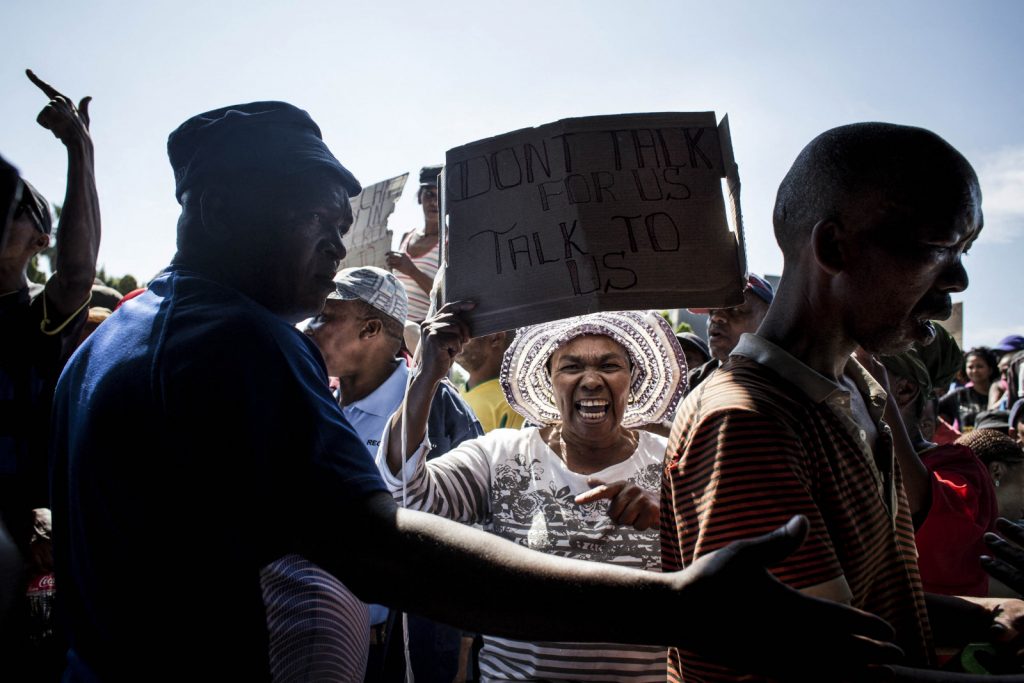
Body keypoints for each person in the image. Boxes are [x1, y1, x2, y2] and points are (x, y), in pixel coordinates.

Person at [50, 101, 902, 682]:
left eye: (345, 224)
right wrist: (678, 603)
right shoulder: (234, 343)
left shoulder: (114, 338)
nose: (337, 246)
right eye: (317, 218)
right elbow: (386, 546)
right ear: (221, 207)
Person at [663, 122, 1024, 681]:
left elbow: (863, 604)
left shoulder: (858, 390)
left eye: (964, 251)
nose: (959, 279)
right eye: (938, 249)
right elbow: (830, 665)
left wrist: (988, 618)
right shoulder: (746, 422)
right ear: (834, 247)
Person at [380, 309, 685, 681]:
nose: (591, 381)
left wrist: (674, 515)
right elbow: (407, 493)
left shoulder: (674, 462)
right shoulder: (500, 456)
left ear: (632, 378)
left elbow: (724, 567)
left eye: (609, 365)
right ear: (549, 380)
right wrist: (427, 374)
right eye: (571, 367)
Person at [305, 265, 481, 681]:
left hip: (400, 654)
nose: (309, 329)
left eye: (325, 317)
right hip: (321, 643)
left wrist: (462, 645)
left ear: (370, 329)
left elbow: (471, 529)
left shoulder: (437, 406)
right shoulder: (317, 399)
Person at [1, 71, 99, 682]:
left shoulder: (35, 319)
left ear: (40, 238)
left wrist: (78, 151)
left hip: (22, 548)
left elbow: (77, 274)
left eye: (8, 213)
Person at [880, 350, 998, 597]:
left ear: (903, 391)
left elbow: (929, 513)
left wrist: (884, 408)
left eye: (854, 376)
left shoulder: (958, 465)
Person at [684, 273, 773, 393]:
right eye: (712, 310)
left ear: (766, 318)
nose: (716, 317)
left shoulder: (788, 384)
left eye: (736, 309)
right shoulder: (691, 383)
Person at [386, 165, 441, 322]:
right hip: (394, 323)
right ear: (419, 197)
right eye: (429, 194)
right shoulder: (406, 237)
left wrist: (412, 271)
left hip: (423, 328)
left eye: (440, 195)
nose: (434, 202)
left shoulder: (449, 243)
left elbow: (445, 298)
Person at [455, 329, 524, 432]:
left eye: (465, 329)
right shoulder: (455, 393)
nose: (455, 337)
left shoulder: (515, 405)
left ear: (496, 337)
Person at [940, 347, 999, 430]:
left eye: (979, 366)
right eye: (970, 367)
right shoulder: (959, 394)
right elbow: (933, 409)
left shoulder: (1000, 393)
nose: (975, 370)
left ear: (990, 369)